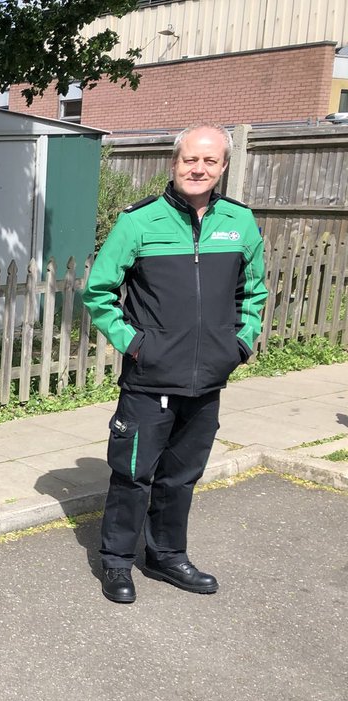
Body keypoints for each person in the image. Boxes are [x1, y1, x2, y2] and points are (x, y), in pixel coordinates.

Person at [82, 123, 267, 604]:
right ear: (174, 162)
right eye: (190, 159)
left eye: (209, 160)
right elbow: (99, 292)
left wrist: (240, 345)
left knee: (182, 476)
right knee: (133, 475)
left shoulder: (241, 223)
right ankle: (117, 561)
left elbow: (255, 293)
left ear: (223, 167)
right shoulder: (139, 222)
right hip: (149, 381)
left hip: (207, 381)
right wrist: (136, 344)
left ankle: (166, 556)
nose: (198, 168)